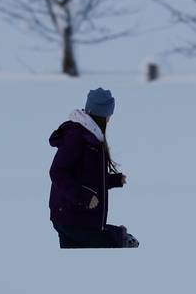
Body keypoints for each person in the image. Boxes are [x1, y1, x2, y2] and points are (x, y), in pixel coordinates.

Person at [48, 87, 139, 248]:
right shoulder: (77, 136)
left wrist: (113, 180)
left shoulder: (92, 136)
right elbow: (58, 172)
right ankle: (121, 238)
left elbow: (87, 175)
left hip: (74, 216)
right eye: (109, 115)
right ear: (102, 115)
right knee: (117, 243)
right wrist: (83, 197)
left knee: (79, 265)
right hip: (72, 216)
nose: (110, 119)